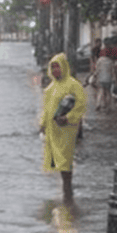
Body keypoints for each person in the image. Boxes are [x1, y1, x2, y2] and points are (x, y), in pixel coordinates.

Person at [39, 53, 87, 206]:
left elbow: (81, 105)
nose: (55, 70)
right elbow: (47, 109)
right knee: (58, 161)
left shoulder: (73, 85)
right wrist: (43, 124)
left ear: (64, 67)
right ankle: (67, 193)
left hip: (67, 129)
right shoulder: (51, 87)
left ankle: (68, 191)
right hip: (53, 130)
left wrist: (69, 117)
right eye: (52, 67)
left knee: (65, 160)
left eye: (57, 67)